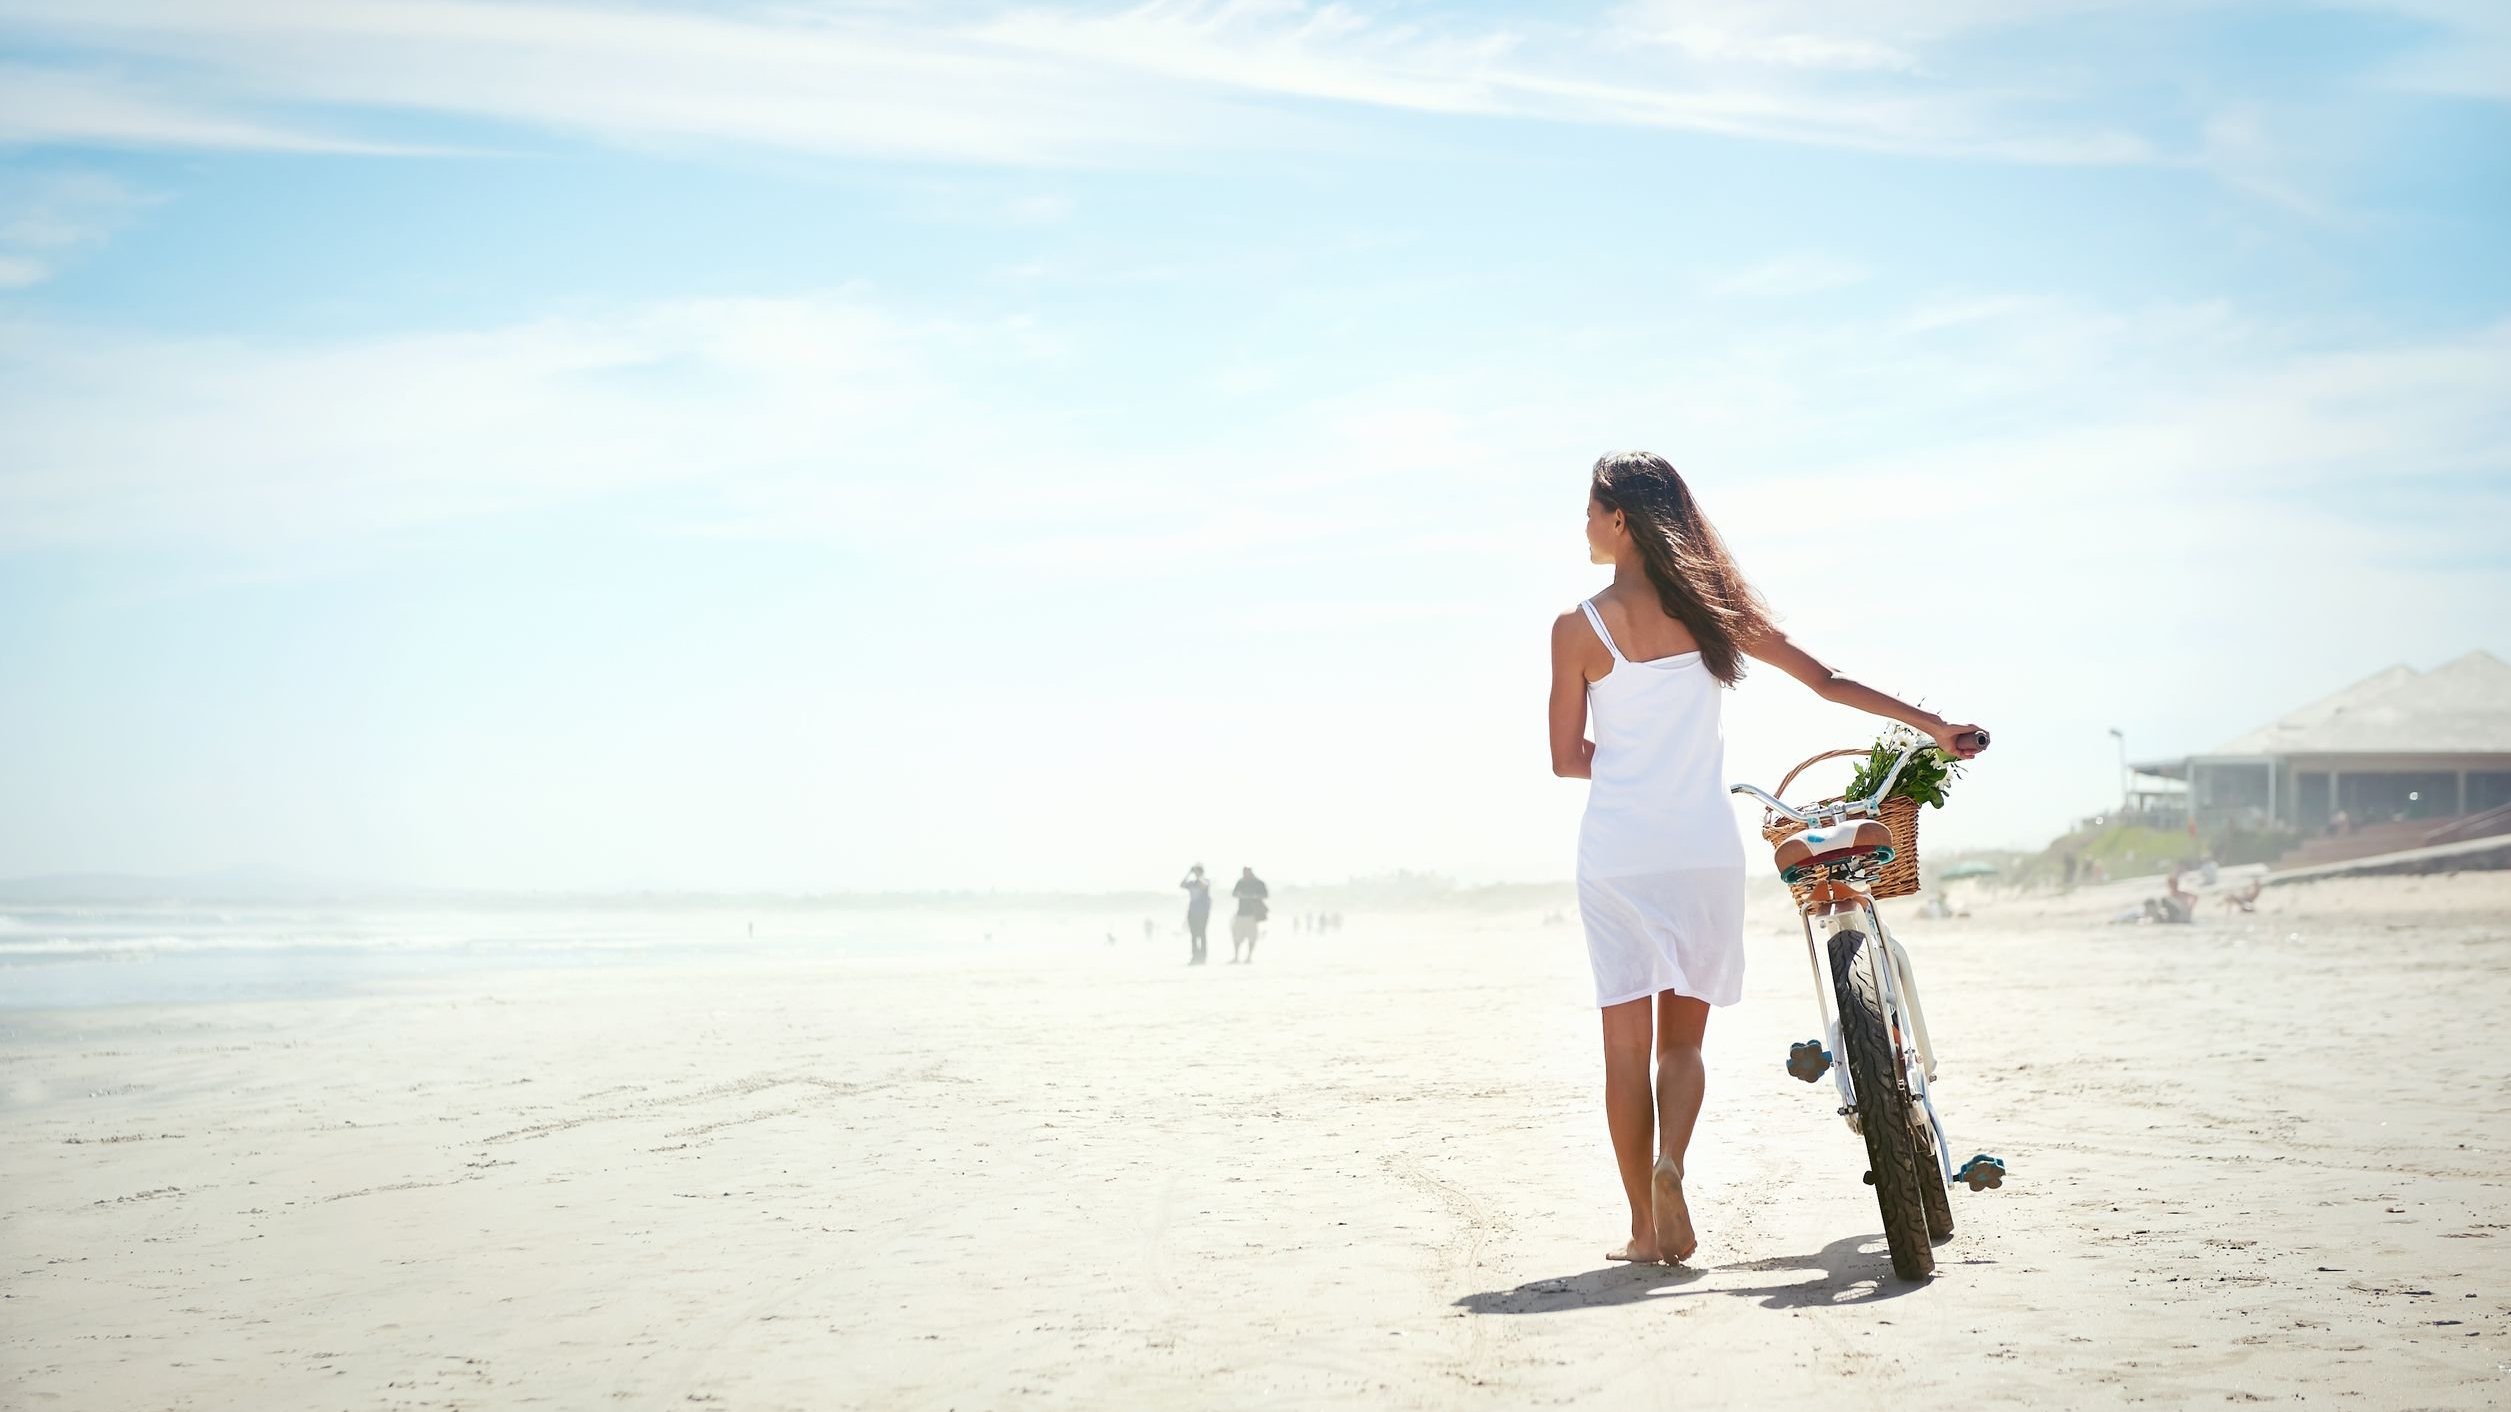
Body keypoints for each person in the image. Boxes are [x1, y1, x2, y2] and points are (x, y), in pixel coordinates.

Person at [1548, 451, 1987, 1267]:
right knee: (1681, 1046)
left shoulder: (1578, 627)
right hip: (1700, 851)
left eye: (1588, 510)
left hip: (1616, 853)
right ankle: (1671, 1165)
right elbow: (1826, 681)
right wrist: (1933, 728)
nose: (1582, 526)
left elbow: (1565, 759)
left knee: (1621, 1052)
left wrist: (1628, 753)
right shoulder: (1714, 612)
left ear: (1619, 519)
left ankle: (1645, 1230)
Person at [1229, 866, 1269, 963]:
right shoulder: (1241, 882)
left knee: (1252, 936)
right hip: (1241, 913)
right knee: (1237, 936)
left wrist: (1254, 897)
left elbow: (1265, 895)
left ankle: (1249, 957)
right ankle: (1236, 956)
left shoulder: (1258, 883)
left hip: (1253, 914)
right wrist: (1241, 895)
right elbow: (1234, 894)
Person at [1179, 865, 1213, 965]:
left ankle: (1203, 956)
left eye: (1197, 872)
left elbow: (1204, 885)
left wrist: (1199, 876)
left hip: (1203, 912)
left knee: (1202, 933)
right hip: (1192, 911)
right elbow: (1181, 884)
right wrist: (1189, 873)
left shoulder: (1205, 880)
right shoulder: (1192, 883)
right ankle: (1195, 956)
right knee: (1193, 935)